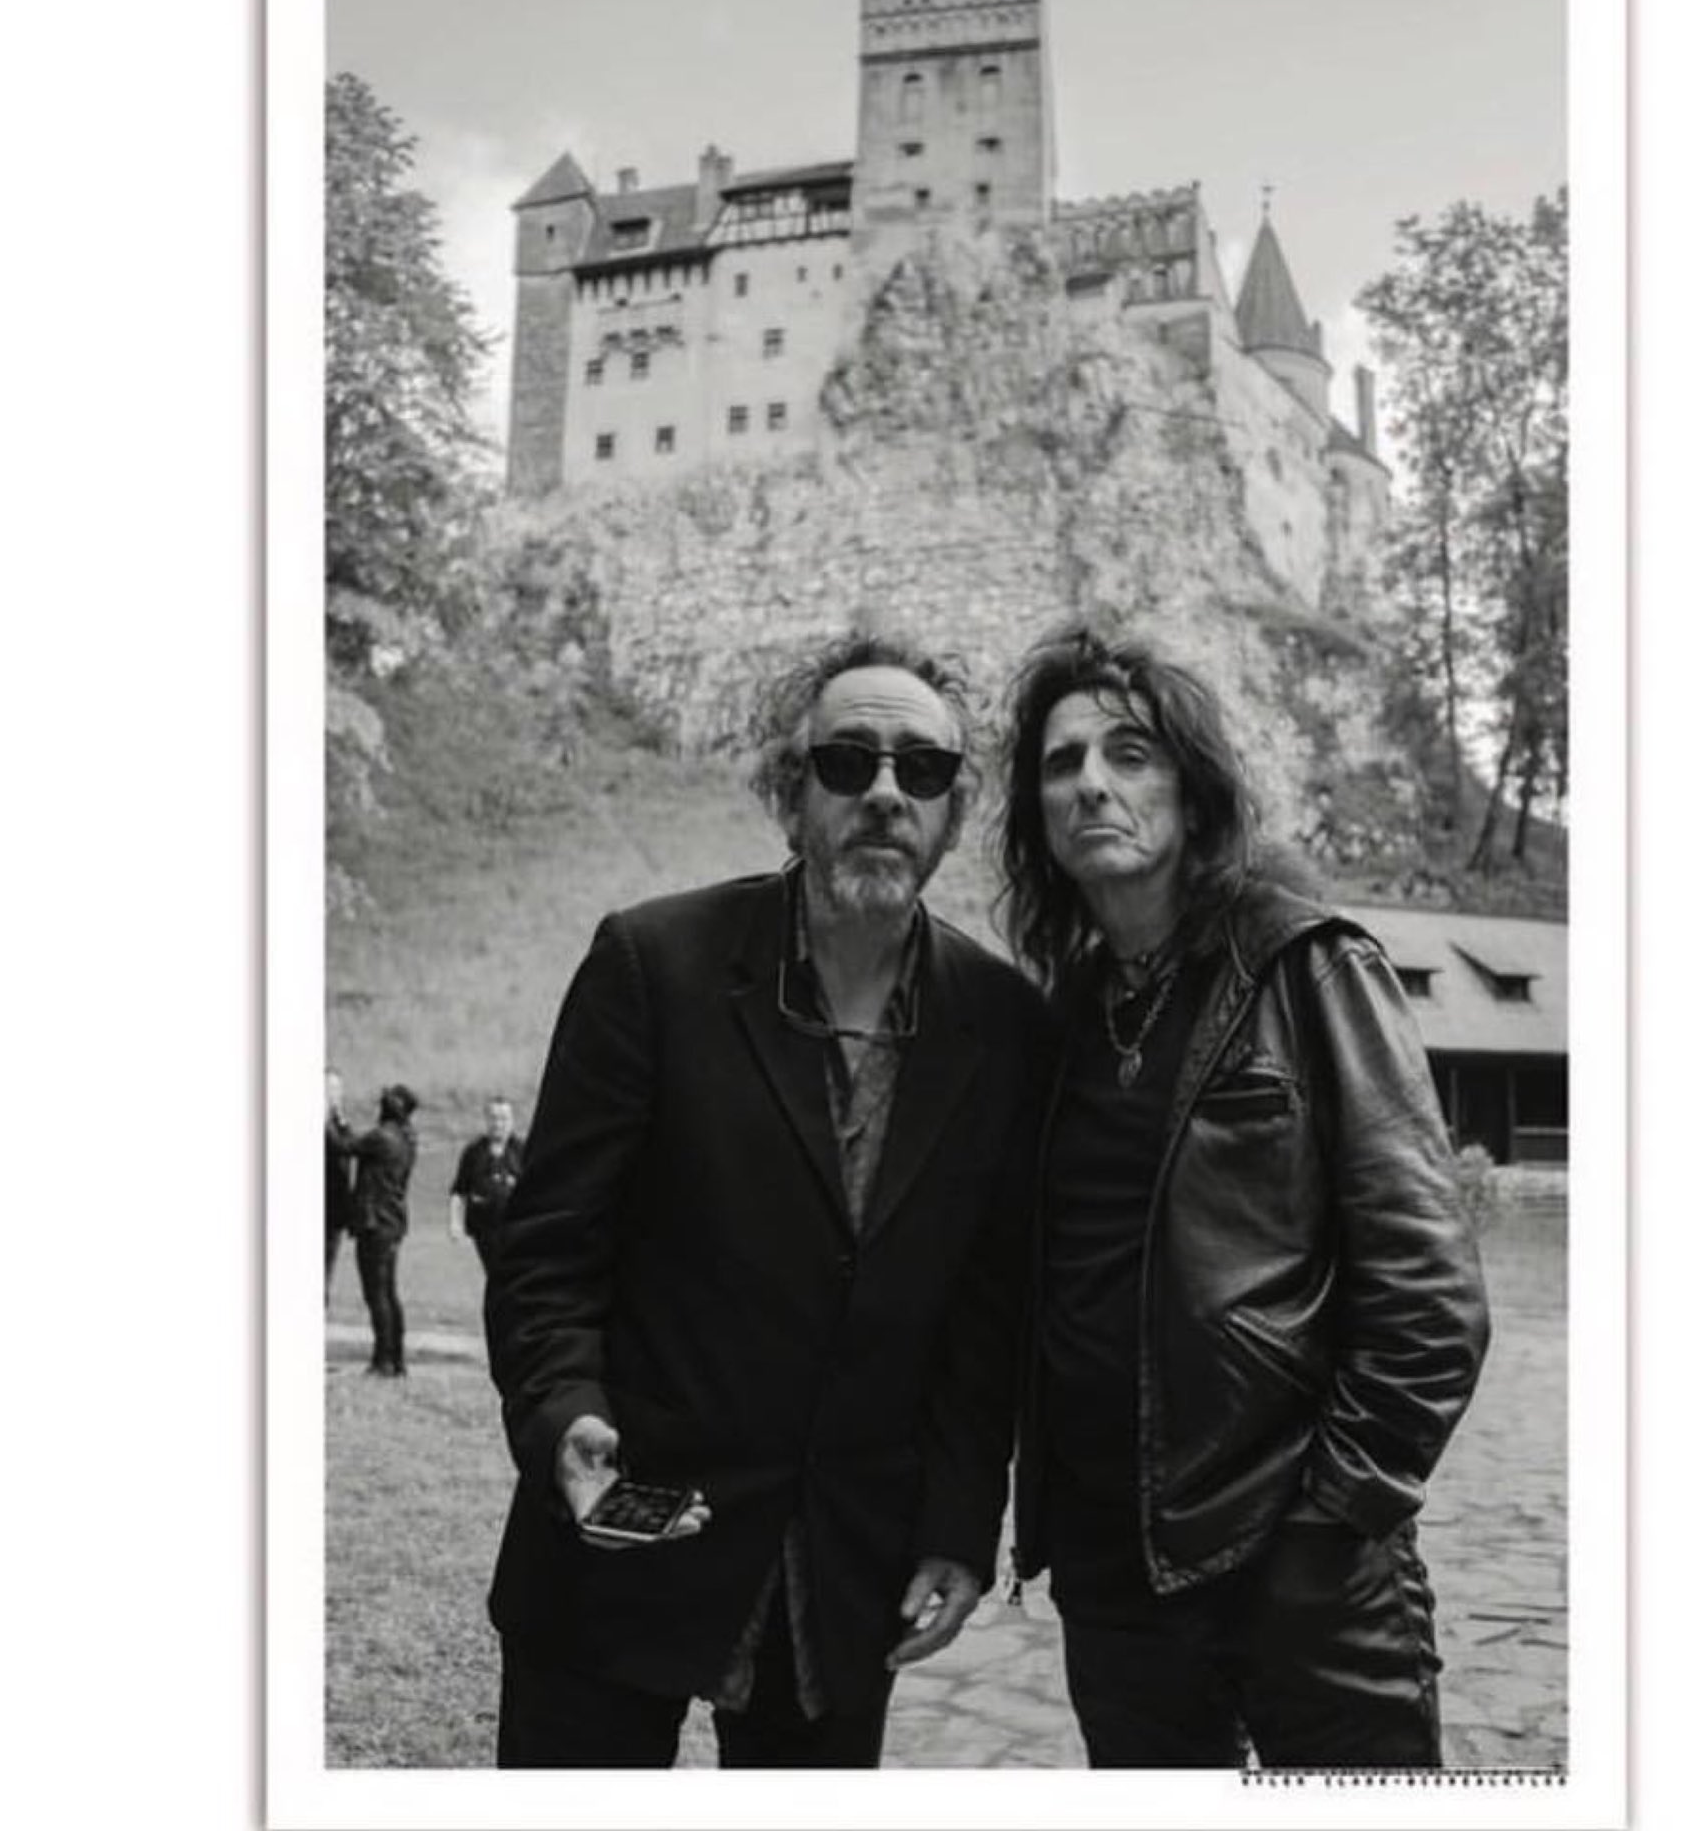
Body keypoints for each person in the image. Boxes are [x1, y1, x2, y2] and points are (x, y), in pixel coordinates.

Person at [484, 631, 1050, 1769]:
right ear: (790, 796)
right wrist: (561, 1412)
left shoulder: (1002, 1023)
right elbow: (548, 1245)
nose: (885, 794)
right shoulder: (653, 963)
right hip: (623, 1532)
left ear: (952, 811)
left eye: (922, 772)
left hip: (840, 1571)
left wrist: (954, 1521)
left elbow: (982, 1316)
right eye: (846, 762)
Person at [995, 624, 1491, 1769]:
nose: (1091, 784)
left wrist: (1331, 1515)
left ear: (1193, 789)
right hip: (1113, 1574)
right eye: (1061, 762)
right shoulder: (1062, 1020)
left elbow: (1428, 1293)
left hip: (1297, 1558)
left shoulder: (1304, 964)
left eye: (1130, 753)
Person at [345, 1083, 419, 1377]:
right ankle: (395, 1358)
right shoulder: (406, 1138)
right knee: (388, 1292)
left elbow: (344, 1144)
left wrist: (333, 1118)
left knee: (376, 1293)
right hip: (392, 1223)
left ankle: (383, 1360)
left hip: (375, 1222)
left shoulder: (383, 1137)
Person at [449, 1095, 525, 1277]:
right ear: (486, 1120)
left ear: (512, 1120)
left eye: (503, 1118)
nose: (498, 1124)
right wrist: (455, 1223)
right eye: (493, 1118)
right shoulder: (474, 1152)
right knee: (495, 1274)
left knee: (514, 1273)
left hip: (516, 1227)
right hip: (484, 1229)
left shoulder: (522, 1150)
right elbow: (459, 1191)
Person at [324, 1067, 354, 1301]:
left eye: (337, 1089)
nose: (334, 1094)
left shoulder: (340, 1123)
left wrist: (341, 1120)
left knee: (328, 1261)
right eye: (329, 1088)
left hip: (336, 1205)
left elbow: (350, 1146)